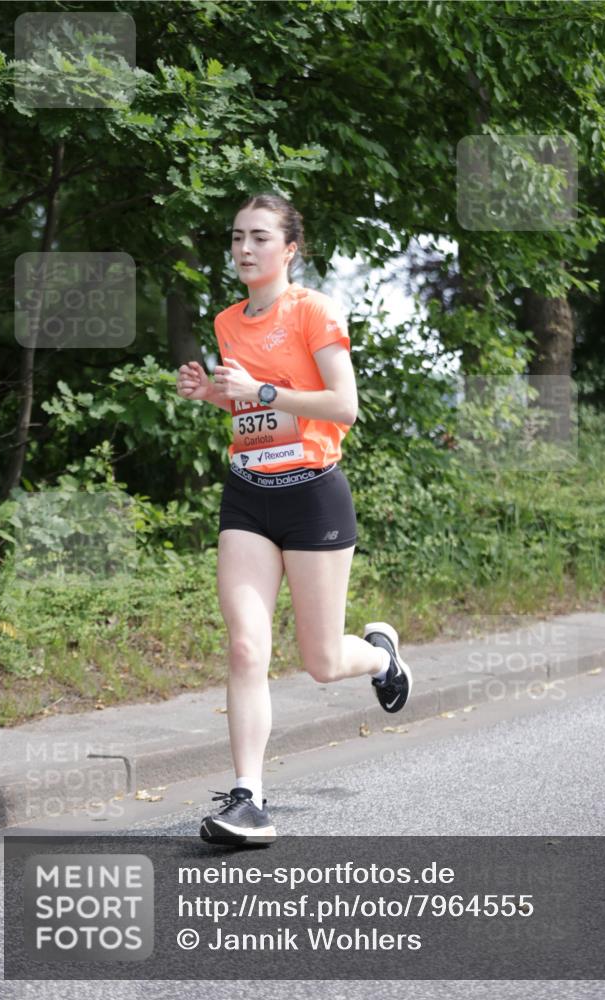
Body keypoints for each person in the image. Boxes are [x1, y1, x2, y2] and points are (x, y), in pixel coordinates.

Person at [176, 192, 412, 845]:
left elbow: (343, 405)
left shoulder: (314, 311)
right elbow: (252, 418)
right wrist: (216, 397)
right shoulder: (227, 322)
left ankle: (382, 660)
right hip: (248, 493)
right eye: (236, 237)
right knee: (246, 644)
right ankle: (248, 798)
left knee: (321, 661)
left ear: (289, 248)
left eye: (258, 237)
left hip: (313, 494)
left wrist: (261, 391)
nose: (244, 248)